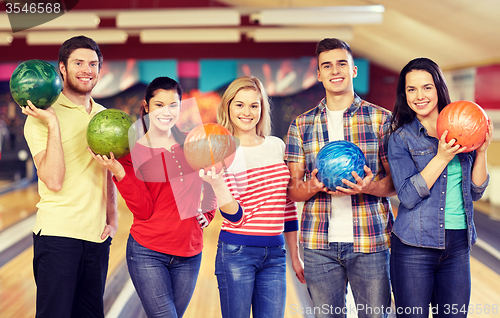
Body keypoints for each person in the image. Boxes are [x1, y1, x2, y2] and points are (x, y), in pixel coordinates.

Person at [285, 38, 396, 318]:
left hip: (371, 240)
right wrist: (314, 185)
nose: (335, 70)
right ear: (319, 75)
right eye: (327, 65)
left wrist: (369, 186)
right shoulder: (301, 125)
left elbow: (395, 184)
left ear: (354, 70)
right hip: (318, 245)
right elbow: (293, 191)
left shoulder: (382, 120)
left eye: (341, 63)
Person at [89, 76, 217, 318]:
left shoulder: (193, 143)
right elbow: (143, 210)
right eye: (159, 105)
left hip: (190, 252)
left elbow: (212, 181)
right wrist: (118, 172)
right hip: (148, 252)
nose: (166, 112)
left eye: (173, 105)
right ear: (146, 106)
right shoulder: (132, 149)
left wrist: (208, 213)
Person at [387, 57, 492, 317]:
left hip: (457, 245)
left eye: (427, 87)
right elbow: (408, 196)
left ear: (438, 89)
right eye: (411, 89)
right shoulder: (402, 138)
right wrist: (442, 156)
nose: (419, 96)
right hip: (414, 246)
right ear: (405, 94)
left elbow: (477, 191)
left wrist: (482, 151)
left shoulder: (462, 128)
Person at [22, 36, 118, 318]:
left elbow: (108, 173)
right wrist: (53, 123)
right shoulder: (40, 115)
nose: (87, 69)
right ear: (62, 68)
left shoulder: (104, 116)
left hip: (96, 238)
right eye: (79, 63)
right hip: (58, 236)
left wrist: (112, 218)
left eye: (93, 64)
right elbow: (53, 180)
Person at [199, 76, 305, 318]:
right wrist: (217, 184)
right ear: (228, 106)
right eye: (239, 104)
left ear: (262, 109)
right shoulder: (221, 149)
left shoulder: (277, 146)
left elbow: (287, 206)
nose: (247, 112)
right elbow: (235, 217)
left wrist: (295, 255)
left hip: (276, 255)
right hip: (237, 252)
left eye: (254, 105)